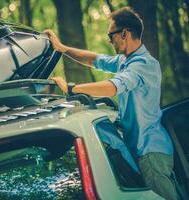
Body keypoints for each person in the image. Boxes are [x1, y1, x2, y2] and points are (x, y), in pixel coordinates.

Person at [44, 7, 177, 200]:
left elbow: (113, 87)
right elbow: (95, 59)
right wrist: (62, 48)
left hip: (150, 153)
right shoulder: (127, 61)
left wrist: (72, 88)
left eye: (110, 35)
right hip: (145, 152)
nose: (110, 41)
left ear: (124, 33)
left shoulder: (143, 65)